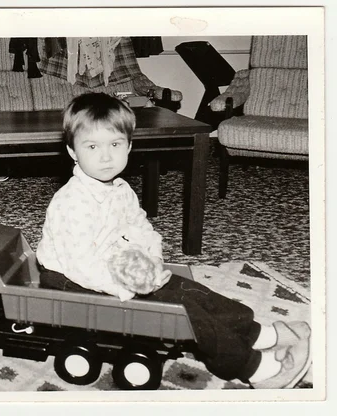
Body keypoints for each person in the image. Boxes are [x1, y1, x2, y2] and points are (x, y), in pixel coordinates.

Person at [36, 92, 311, 389]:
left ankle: (257, 333)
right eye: (92, 146)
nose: (106, 156)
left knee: (191, 290)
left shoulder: (120, 188)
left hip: (110, 262)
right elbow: (81, 265)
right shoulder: (71, 203)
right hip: (72, 277)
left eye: (115, 144)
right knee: (181, 311)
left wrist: (153, 258)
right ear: (73, 152)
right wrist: (127, 287)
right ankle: (253, 369)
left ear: (129, 145)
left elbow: (139, 225)